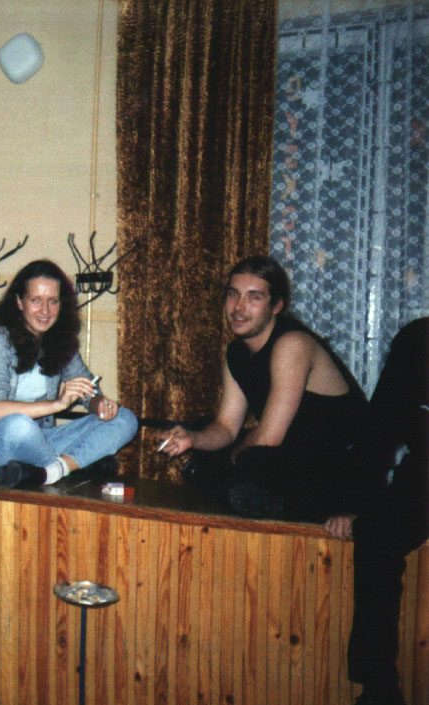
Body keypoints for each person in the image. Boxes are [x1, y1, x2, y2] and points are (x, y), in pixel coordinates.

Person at [157, 255, 372, 519]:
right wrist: (193, 439)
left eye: (254, 297)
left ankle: (223, 485)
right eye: (233, 294)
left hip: (345, 469)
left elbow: (269, 439)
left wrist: (229, 460)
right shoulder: (236, 353)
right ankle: (230, 488)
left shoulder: (292, 344)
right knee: (204, 431)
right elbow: (226, 427)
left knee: (253, 461)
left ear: (277, 305)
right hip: (296, 457)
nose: (239, 307)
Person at [0, 259, 137, 487]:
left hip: (39, 444)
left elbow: (87, 388)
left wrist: (99, 404)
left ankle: (53, 471)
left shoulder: (59, 340)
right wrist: (58, 404)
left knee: (126, 418)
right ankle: (74, 465)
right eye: (36, 300)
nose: (45, 310)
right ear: (19, 302)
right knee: (20, 425)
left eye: (53, 301)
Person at [324, 317, 428, 705]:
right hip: (423, 478)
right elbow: (377, 432)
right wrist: (354, 505)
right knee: (376, 535)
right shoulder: (418, 340)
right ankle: (379, 688)